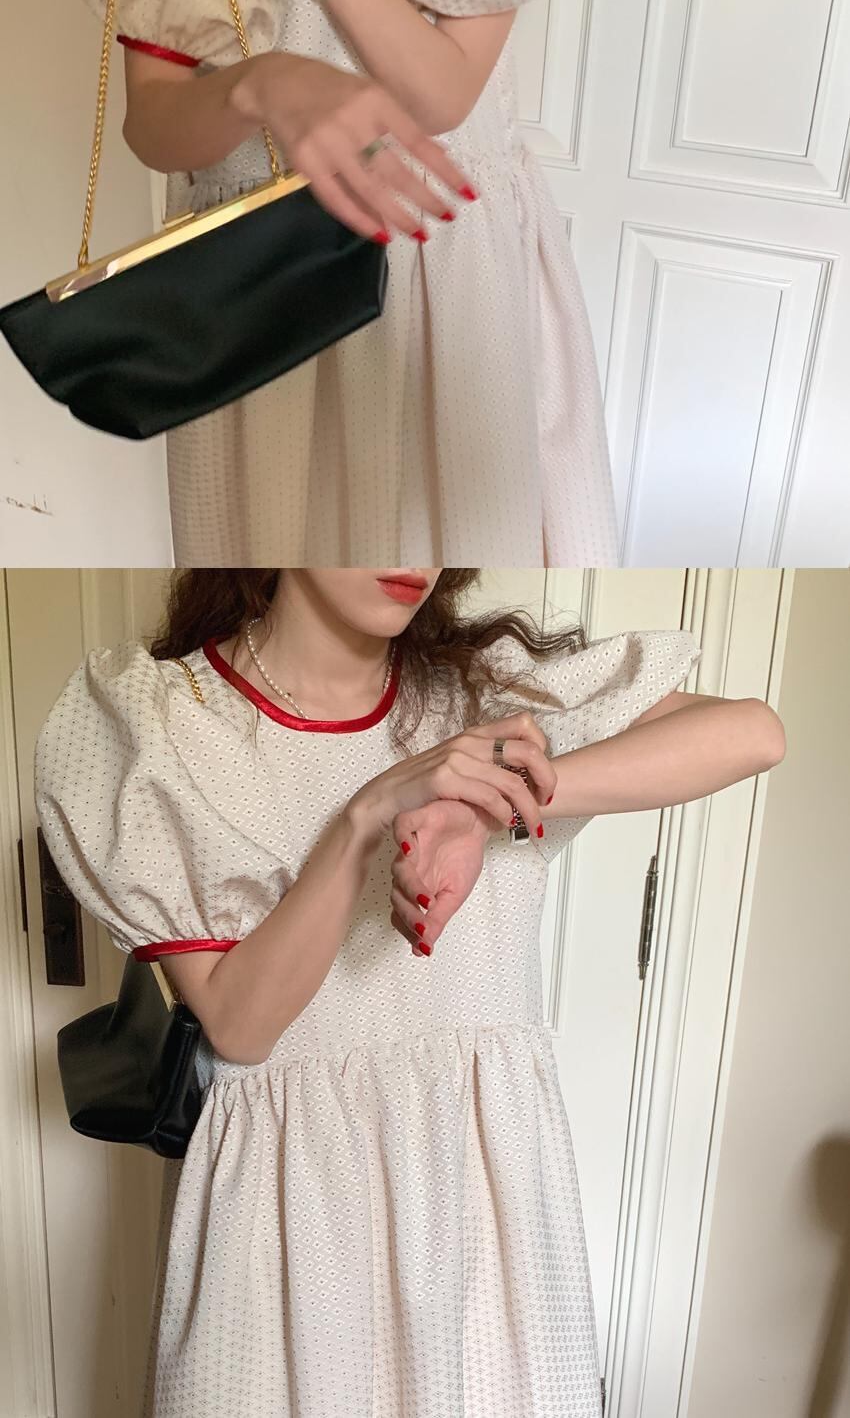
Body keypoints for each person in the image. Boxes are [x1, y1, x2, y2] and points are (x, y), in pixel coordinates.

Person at [34, 565, 786, 1418]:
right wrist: (367, 816)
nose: (411, 552)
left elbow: (752, 734)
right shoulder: (172, 724)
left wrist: (490, 804)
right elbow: (242, 1027)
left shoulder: (483, 692)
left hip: (485, 1213)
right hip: (290, 1226)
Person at [55, 0, 616, 566]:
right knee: (274, 571)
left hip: (447, 282)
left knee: (457, 560)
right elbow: (156, 127)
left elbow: (439, 96)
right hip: (259, 295)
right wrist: (261, 83)